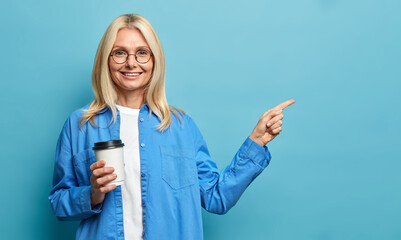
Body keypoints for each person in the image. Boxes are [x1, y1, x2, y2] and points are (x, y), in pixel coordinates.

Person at [48, 13, 295, 240]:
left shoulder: (181, 127)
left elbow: (216, 198)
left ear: (155, 61)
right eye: (120, 52)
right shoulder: (80, 125)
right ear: (106, 60)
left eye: (142, 53)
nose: (131, 63)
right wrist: (92, 194)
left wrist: (257, 142)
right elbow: (58, 203)